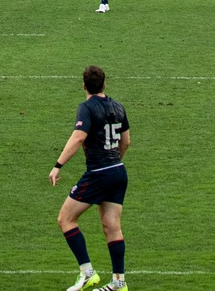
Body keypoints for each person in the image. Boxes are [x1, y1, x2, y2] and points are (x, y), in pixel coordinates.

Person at [50, 64, 130, 291]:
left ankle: (87, 273)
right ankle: (118, 283)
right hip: (118, 171)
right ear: (104, 84)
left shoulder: (86, 107)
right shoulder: (118, 107)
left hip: (98, 173)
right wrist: (114, 161)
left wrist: (58, 166)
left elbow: (78, 137)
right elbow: (126, 142)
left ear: (84, 86)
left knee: (65, 219)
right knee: (112, 226)